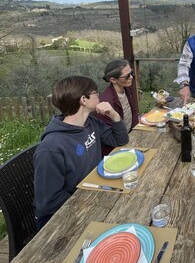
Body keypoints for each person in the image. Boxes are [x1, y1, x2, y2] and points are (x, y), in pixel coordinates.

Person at [34, 75, 129, 230]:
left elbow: (119, 141)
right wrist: (89, 202)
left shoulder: (91, 123)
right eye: (95, 92)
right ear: (83, 100)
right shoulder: (51, 148)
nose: (99, 95)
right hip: (59, 218)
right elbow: (49, 203)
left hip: (92, 192)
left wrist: (114, 115)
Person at [97, 59, 139, 155]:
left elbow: (134, 111)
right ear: (113, 79)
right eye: (127, 76)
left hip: (130, 136)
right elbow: (111, 137)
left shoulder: (127, 88)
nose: (131, 77)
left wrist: (136, 132)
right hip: (116, 149)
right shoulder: (106, 102)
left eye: (131, 73)